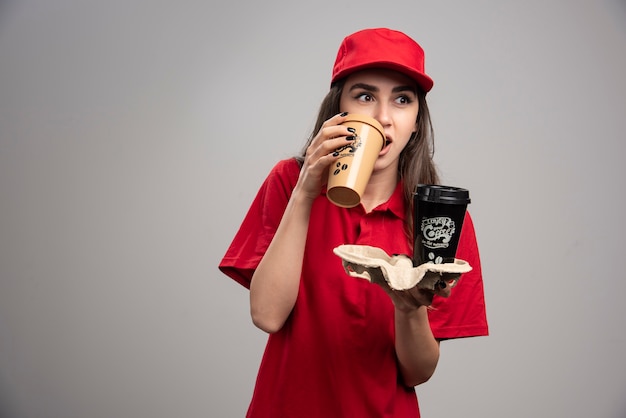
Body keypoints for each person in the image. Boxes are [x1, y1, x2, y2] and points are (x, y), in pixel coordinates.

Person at [219, 27, 488, 418]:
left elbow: (417, 372)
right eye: (365, 96)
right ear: (338, 110)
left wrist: (408, 304)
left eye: (401, 99)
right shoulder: (289, 181)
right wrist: (305, 192)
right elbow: (267, 315)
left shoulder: (439, 219)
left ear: (415, 121)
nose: (382, 118)